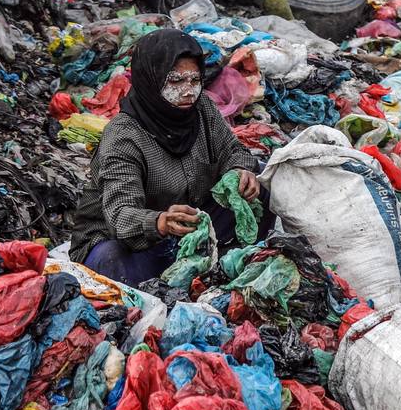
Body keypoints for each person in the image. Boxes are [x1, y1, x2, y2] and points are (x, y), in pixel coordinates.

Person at [69, 29, 271, 284]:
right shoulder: (123, 137)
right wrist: (160, 222)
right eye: (175, 81)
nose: (188, 91)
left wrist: (239, 172)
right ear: (151, 80)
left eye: (195, 80)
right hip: (134, 238)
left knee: (258, 190)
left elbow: (232, 151)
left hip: (189, 223)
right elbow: (120, 215)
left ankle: (223, 268)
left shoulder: (201, 108)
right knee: (112, 260)